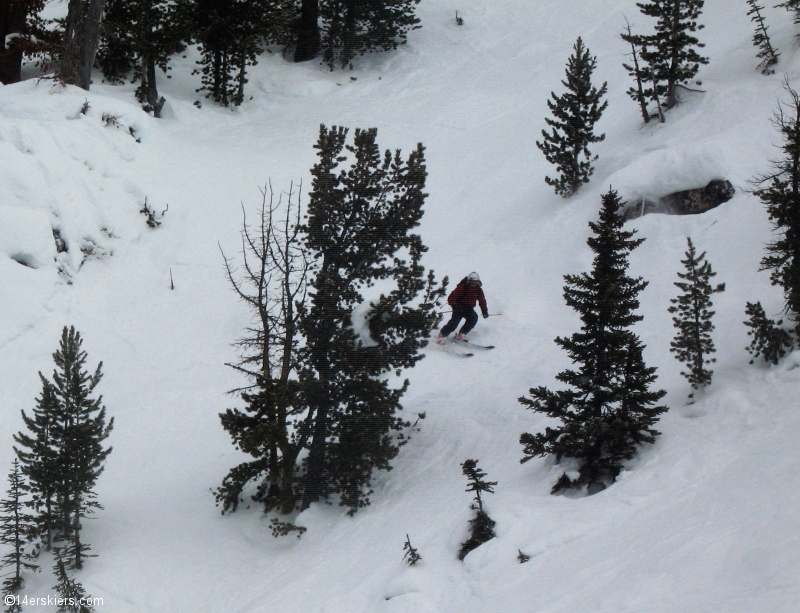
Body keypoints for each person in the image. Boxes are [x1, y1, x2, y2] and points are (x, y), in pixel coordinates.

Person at [437, 272, 488, 344]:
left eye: (475, 283)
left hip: (468, 308)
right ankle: (442, 335)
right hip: (458, 307)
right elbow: (451, 298)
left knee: (473, 318)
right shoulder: (462, 287)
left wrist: (484, 311)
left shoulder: (478, 290)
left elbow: (482, 300)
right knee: (454, 322)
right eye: (472, 283)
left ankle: (462, 334)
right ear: (468, 282)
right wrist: (455, 306)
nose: (473, 285)